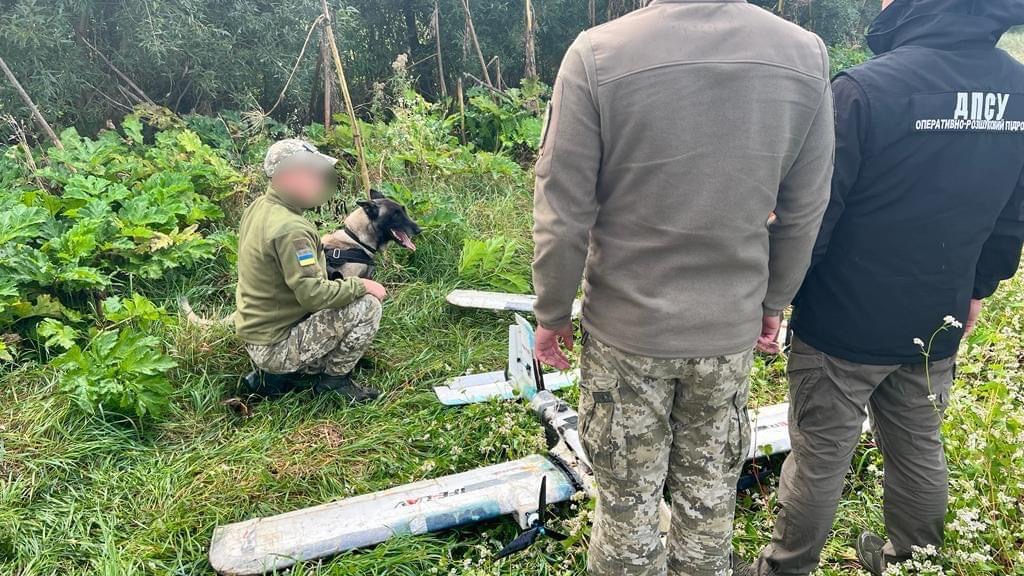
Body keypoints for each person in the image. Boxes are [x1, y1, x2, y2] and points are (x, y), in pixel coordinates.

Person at [530, 1, 835, 573]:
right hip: (729, 328)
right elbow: (804, 209)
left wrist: (552, 312)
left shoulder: (598, 55)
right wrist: (773, 303)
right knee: (709, 500)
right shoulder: (803, 55)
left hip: (626, 332)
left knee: (626, 504)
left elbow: (562, 210)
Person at [738, 1, 1024, 575]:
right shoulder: (1016, 89)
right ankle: (917, 562)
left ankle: (786, 569)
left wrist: (776, 297)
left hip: (843, 322)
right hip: (934, 320)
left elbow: (816, 214)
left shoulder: (864, 91)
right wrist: (977, 290)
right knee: (919, 445)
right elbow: (1013, 212)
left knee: (820, 456)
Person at [234, 138, 387, 402]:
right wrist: (362, 285)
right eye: (312, 175)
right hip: (274, 346)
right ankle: (332, 382)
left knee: (342, 301)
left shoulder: (260, 207)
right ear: (289, 176)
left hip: (258, 333)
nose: (319, 182)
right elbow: (313, 295)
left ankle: (276, 376)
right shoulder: (292, 229)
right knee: (368, 306)